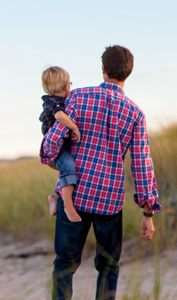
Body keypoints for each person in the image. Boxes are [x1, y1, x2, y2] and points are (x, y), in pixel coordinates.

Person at [41, 45, 160, 300]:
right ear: (128, 73)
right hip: (110, 201)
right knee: (108, 267)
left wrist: (49, 158)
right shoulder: (136, 114)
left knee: (65, 264)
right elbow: (142, 164)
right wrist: (148, 212)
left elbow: (52, 143)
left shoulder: (77, 97)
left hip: (75, 195)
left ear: (103, 69)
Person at [40, 66, 82, 222]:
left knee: (66, 169)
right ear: (66, 86)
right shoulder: (55, 102)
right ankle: (68, 206)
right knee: (69, 166)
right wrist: (74, 126)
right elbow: (59, 116)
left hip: (59, 145)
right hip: (55, 147)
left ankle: (55, 197)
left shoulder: (51, 100)